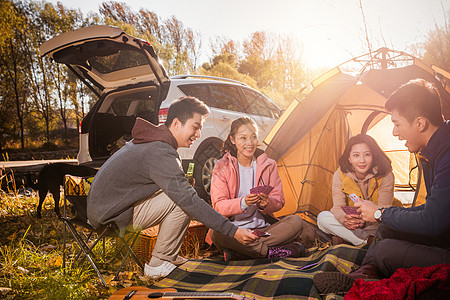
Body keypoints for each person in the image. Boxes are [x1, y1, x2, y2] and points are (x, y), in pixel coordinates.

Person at [87, 97, 258, 278]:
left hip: (105, 208)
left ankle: (169, 256)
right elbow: (188, 200)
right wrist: (233, 231)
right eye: (195, 127)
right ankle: (159, 263)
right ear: (176, 123)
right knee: (183, 200)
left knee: (181, 193)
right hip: (110, 216)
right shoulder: (159, 150)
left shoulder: (154, 142)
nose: (199, 134)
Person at [313, 78, 450, 294]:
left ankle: (371, 270)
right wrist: (383, 215)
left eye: (397, 124)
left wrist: (379, 213)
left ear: (420, 124)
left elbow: (432, 221)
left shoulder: (446, 154)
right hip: (443, 233)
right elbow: (433, 211)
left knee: (386, 249)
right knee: (388, 226)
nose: (395, 133)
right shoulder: (434, 149)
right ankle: (366, 272)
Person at [209, 117, 306, 260]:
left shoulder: (269, 165)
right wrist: (243, 203)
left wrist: (266, 203)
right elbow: (218, 206)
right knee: (215, 233)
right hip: (234, 230)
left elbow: (279, 200)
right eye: (243, 138)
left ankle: (241, 252)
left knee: (296, 221)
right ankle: (270, 252)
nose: (250, 143)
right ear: (233, 139)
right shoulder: (222, 166)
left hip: (264, 229)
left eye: (253, 137)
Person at [317, 134, 395, 246]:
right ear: (349, 158)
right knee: (322, 218)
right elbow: (337, 207)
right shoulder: (340, 175)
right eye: (356, 155)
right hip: (353, 224)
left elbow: (384, 209)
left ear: (373, 156)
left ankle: (348, 238)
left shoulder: (386, 175)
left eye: (367, 154)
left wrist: (368, 217)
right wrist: (346, 219)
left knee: (390, 227)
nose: (362, 160)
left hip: (376, 222)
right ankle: (368, 241)